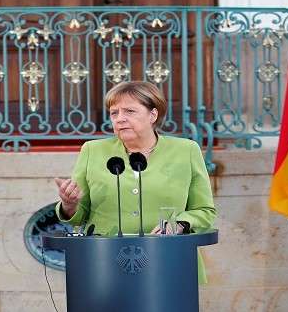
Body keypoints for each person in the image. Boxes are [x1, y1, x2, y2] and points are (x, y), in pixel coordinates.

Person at [54, 80, 216, 282]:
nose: (120, 119)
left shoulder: (186, 151)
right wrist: (69, 205)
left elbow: (205, 211)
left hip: (169, 260)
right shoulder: (92, 150)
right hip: (104, 264)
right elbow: (79, 215)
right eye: (114, 113)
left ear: (153, 115)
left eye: (129, 111)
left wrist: (181, 223)